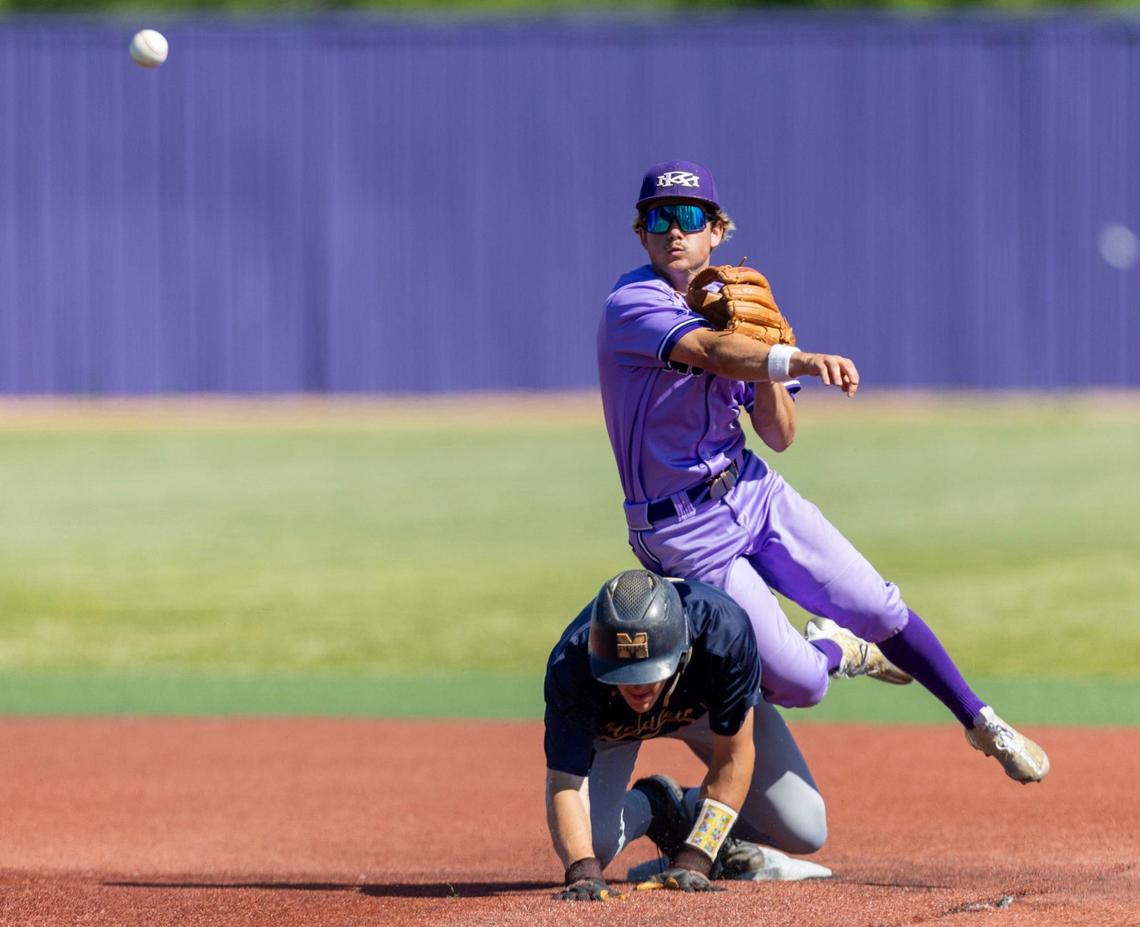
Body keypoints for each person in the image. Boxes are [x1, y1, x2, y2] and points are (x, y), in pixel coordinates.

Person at [594, 159, 1048, 784]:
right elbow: (707, 351)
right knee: (804, 684)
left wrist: (769, 337)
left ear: (716, 231)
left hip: (751, 488)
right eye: (659, 218)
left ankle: (980, 719)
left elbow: (779, 437)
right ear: (642, 234)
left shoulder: (738, 311)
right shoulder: (632, 303)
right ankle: (834, 649)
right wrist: (792, 357)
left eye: (690, 216)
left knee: (878, 604)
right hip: (682, 530)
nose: (675, 230)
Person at [545, 568, 833, 901]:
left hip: (705, 710)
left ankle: (683, 811)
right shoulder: (572, 663)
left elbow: (734, 756)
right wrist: (582, 873)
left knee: (805, 827)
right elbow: (565, 783)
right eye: (624, 672)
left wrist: (698, 857)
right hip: (614, 731)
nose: (638, 685)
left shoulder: (724, 632)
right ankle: (652, 806)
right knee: (592, 847)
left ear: (682, 649)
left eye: (650, 669)